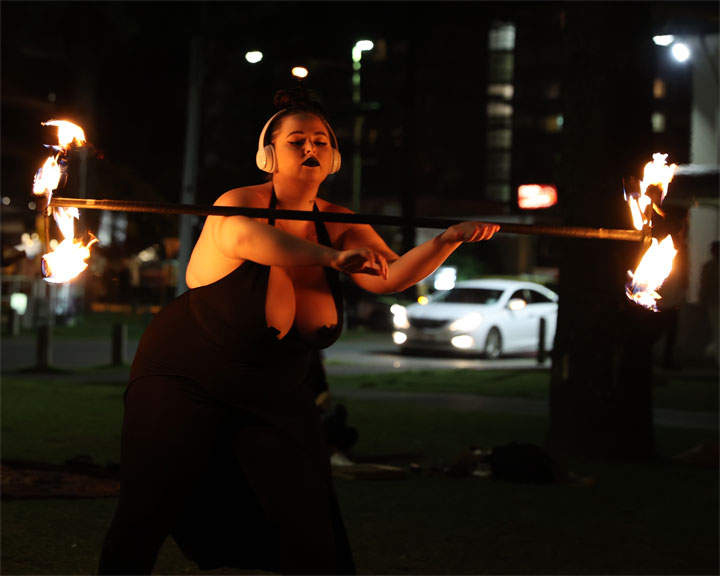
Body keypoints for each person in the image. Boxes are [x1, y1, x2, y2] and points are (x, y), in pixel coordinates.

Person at [97, 86, 498, 575]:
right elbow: (252, 239)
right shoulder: (236, 205)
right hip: (183, 377)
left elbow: (389, 275)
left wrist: (446, 241)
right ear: (268, 154)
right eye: (297, 141)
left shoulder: (341, 223)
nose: (311, 149)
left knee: (308, 523)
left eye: (321, 142)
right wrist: (329, 258)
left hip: (274, 390)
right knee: (147, 509)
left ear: (333, 158)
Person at [699, 240, 719, 365]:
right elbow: (704, 286)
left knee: (717, 330)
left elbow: (704, 286)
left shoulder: (708, 267)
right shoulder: (708, 267)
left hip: (713, 302)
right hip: (713, 302)